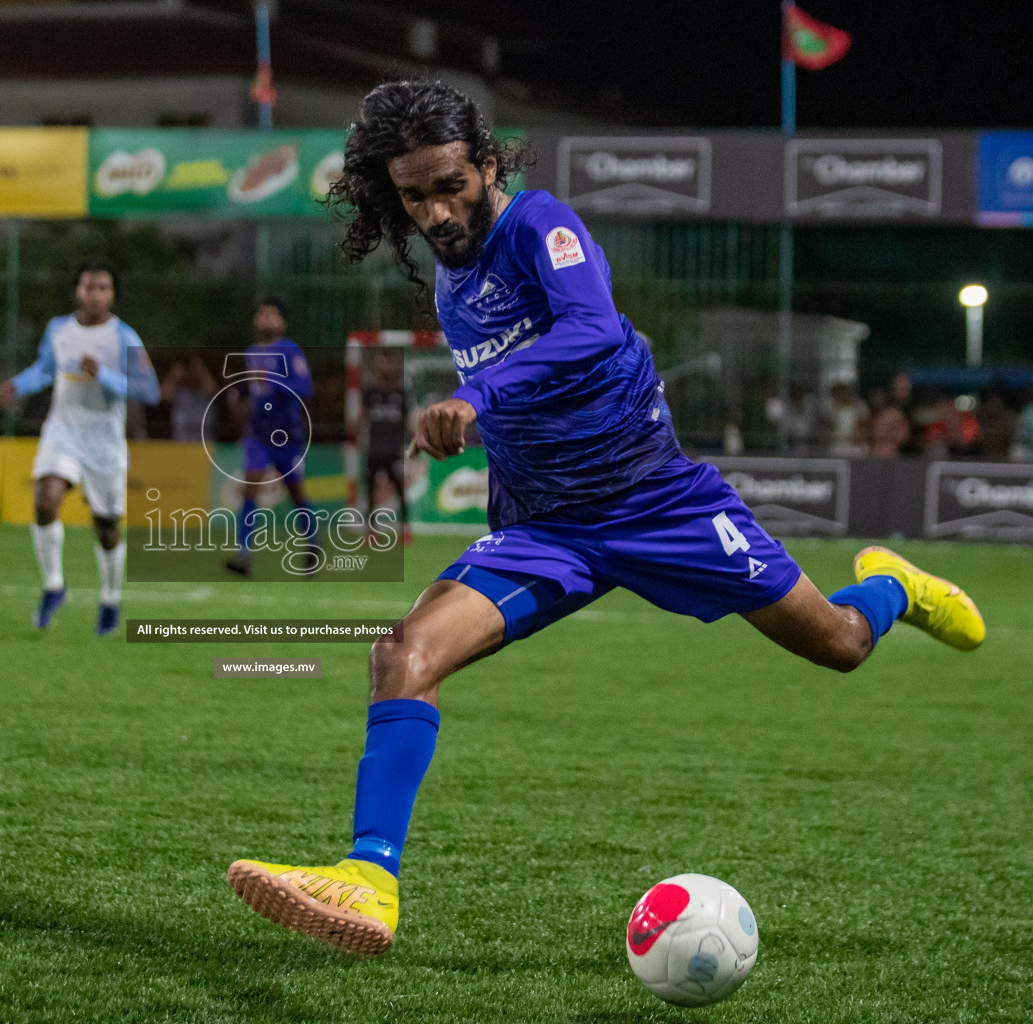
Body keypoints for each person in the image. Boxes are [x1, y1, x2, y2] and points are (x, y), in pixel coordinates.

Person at [225, 80, 984, 955]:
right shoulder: (450, 279)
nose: (435, 211)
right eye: (414, 195)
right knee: (403, 655)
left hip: (658, 503)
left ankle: (893, 588)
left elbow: (590, 327)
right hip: (547, 529)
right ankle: (370, 879)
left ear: (487, 164)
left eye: (449, 185)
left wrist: (476, 395)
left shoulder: (540, 224)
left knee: (842, 643)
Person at [0, 260, 158, 635]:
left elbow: (148, 390)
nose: (94, 294)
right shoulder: (59, 328)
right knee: (45, 498)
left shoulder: (125, 337)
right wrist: (16, 386)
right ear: (76, 291)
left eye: (103, 287)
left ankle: (110, 600)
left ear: (113, 294)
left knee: (106, 527)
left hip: (103, 442)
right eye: (88, 286)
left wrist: (105, 374)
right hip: (63, 432)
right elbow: (45, 369)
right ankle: (54, 586)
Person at [224, 298, 319, 576]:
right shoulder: (252, 351)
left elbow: (305, 388)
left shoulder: (289, 350)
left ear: (283, 322)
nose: (266, 319)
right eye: (262, 314)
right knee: (250, 486)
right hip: (257, 433)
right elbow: (252, 386)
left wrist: (274, 381)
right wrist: (237, 393)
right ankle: (243, 554)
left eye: (272, 314)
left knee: (296, 492)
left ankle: (313, 543)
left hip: (286, 435)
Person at [357, 350, 409, 532]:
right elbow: (362, 418)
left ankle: (404, 527)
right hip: (374, 450)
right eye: (381, 363)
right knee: (370, 490)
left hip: (393, 450)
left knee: (400, 488)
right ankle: (370, 528)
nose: (385, 367)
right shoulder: (371, 392)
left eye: (388, 363)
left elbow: (405, 423)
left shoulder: (401, 393)